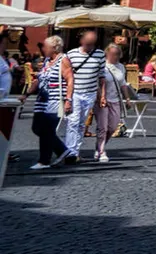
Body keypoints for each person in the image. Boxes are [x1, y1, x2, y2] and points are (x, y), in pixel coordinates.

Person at [60, 28, 105, 164]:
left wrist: (102, 96)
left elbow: (102, 77)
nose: (90, 47)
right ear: (81, 41)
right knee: (73, 122)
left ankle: (75, 152)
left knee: (81, 124)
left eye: (93, 44)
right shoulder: (71, 54)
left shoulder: (100, 55)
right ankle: (70, 152)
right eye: (88, 43)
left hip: (90, 93)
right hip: (75, 93)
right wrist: (67, 97)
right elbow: (66, 76)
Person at [27, 36, 68, 170]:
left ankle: (44, 161)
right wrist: (26, 94)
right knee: (37, 128)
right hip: (41, 100)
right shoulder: (46, 61)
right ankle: (62, 151)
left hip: (55, 100)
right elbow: (39, 79)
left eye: (45, 46)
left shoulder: (64, 60)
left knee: (47, 130)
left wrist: (69, 99)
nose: (43, 49)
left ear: (55, 48)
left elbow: (70, 80)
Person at [92, 43, 133, 162]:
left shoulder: (121, 67)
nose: (116, 57)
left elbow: (123, 84)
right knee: (102, 127)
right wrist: (101, 96)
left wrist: (127, 98)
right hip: (102, 100)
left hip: (115, 100)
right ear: (107, 54)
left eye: (118, 54)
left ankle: (99, 145)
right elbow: (97, 83)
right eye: (113, 54)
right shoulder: (101, 66)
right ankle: (101, 151)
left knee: (112, 127)